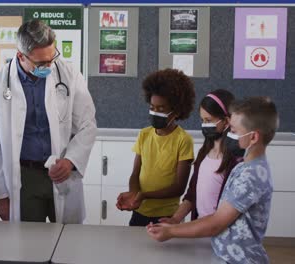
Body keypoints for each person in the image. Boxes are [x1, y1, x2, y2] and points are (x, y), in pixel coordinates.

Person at [0, 20, 97, 223]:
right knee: (28, 247)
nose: (50, 66)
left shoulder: (69, 75)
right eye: (42, 63)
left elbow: (87, 124)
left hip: (62, 172)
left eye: (53, 57)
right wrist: (0, 196)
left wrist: (71, 160)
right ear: (21, 56)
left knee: (67, 241)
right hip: (23, 177)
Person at [147, 97, 278, 264]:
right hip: (224, 255)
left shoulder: (250, 175)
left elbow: (217, 222)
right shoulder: (245, 167)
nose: (229, 134)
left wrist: (172, 231)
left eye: (234, 130)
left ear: (253, 138)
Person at [116, 69, 195, 226]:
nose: (155, 112)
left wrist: (144, 195)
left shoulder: (183, 140)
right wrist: (134, 194)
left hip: (167, 216)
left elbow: (179, 188)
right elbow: (135, 173)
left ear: (176, 111)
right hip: (139, 212)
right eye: (152, 107)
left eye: (161, 109)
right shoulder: (144, 134)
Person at [159, 89, 240, 224]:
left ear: (226, 122)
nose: (204, 125)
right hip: (199, 230)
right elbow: (192, 194)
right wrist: (175, 219)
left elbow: (228, 213)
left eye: (209, 120)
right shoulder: (204, 153)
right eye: (202, 120)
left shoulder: (235, 160)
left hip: (218, 234)